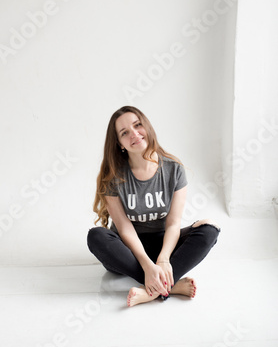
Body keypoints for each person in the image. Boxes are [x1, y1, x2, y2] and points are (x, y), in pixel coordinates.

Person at [87, 105, 221, 307]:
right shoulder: (113, 177)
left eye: (137, 125)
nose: (134, 134)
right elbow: (124, 228)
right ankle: (169, 286)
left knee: (210, 228)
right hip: (127, 250)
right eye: (124, 132)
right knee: (96, 236)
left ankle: (150, 291)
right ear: (120, 143)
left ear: (146, 127)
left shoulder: (173, 169)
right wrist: (148, 265)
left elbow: (174, 223)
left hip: (164, 244)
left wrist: (164, 259)